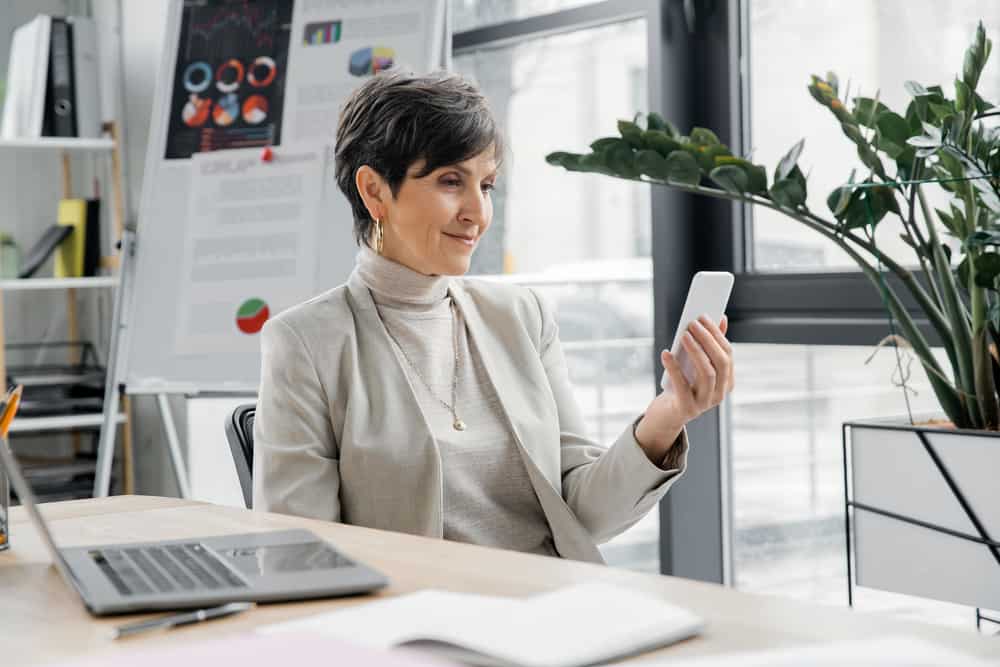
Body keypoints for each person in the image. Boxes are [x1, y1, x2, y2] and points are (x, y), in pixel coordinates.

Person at [253, 70, 734, 563]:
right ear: (375, 191)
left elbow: (584, 516)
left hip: (552, 607)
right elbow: (299, 559)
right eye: (449, 181)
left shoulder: (522, 317)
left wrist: (668, 413)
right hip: (418, 623)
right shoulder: (306, 342)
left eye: (486, 186)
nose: (477, 212)